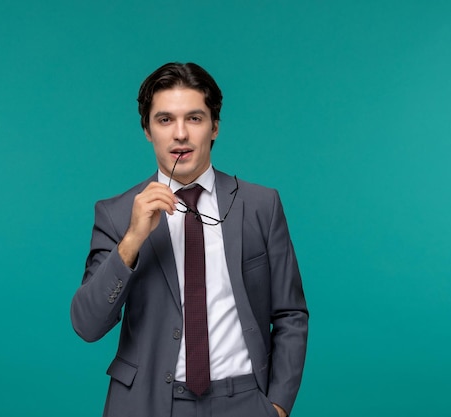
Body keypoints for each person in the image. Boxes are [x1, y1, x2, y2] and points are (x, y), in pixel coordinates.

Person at [70, 62, 308, 417]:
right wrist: (133, 239)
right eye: (165, 120)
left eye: (194, 119)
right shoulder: (116, 214)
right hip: (146, 403)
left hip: (243, 400)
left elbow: (290, 313)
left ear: (214, 127)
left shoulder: (261, 205)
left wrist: (277, 405)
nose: (180, 134)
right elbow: (87, 325)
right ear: (147, 130)